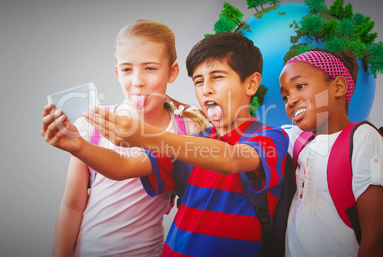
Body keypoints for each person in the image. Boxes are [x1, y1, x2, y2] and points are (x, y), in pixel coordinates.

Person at [42, 32, 289, 256]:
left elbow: (232, 159)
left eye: (217, 77)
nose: (207, 89)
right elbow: (121, 167)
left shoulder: (270, 137)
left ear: (252, 83)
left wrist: (145, 136)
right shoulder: (189, 142)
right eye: (199, 81)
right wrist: (77, 146)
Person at [43, 19, 208, 257]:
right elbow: (72, 204)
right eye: (127, 69)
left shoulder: (188, 129)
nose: (138, 81)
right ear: (117, 72)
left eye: (150, 68)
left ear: (172, 72)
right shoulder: (93, 124)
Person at [279, 49, 383, 256]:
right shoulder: (298, 140)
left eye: (300, 86)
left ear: (338, 87)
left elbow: (377, 238)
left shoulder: (362, 137)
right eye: (285, 96)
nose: (291, 100)